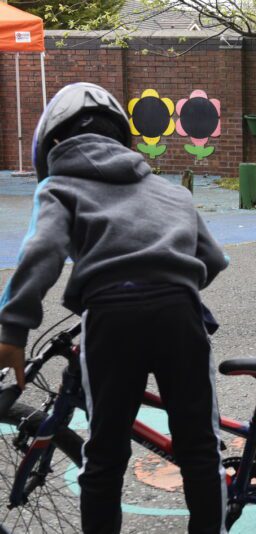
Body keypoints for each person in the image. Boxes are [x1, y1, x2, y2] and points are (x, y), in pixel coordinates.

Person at [0, 83, 229, 534]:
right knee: (200, 450)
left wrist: (12, 330)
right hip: (179, 314)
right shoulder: (170, 193)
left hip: (111, 318)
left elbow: (42, 251)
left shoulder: (60, 185)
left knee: (104, 455)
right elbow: (213, 260)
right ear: (122, 137)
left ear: (52, 144)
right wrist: (171, 282)